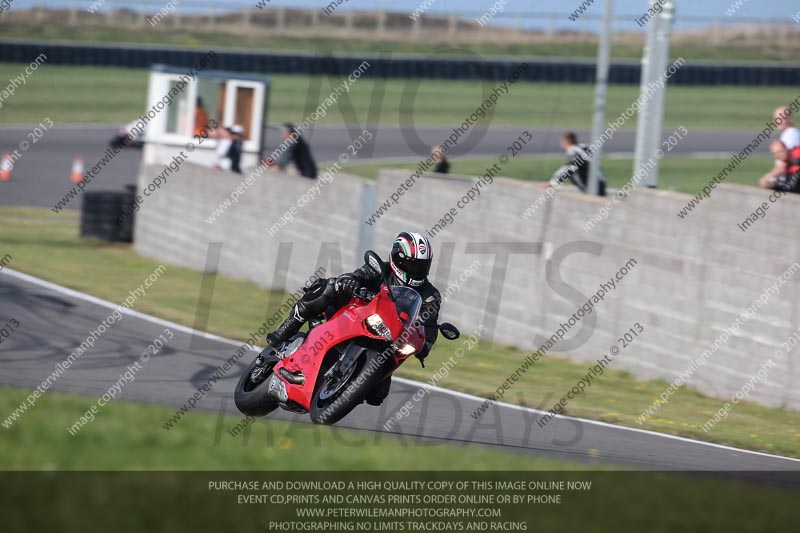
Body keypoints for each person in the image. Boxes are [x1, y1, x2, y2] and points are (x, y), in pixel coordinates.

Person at [266, 232, 442, 406]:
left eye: (421, 266)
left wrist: (424, 344)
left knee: (377, 396)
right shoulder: (380, 268)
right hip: (354, 314)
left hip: (389, 340)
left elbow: (430, 325)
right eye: (411, 265)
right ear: (397, 258)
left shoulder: (430, 295)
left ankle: (342, 389)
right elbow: (356, 276)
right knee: (329, 286)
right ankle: (283, 332)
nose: (416, 271)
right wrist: (350, 282)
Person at [542, 132, 606, 196]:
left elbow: (569, 168)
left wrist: (552, 184)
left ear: (565, 141)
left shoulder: (572, 151)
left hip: (592, 186)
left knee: (570, 169)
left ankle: (585, 190)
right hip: (601, 183)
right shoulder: (584, 146)